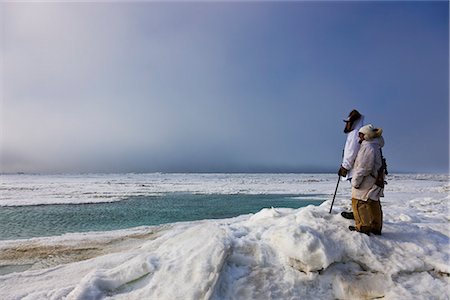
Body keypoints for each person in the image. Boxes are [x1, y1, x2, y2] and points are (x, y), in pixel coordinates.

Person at [349, 124, 385, 235]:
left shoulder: (368, 147)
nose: (358, 137)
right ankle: (376, 227)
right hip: (374, 179)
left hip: (366, 180)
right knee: (373, 202)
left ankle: (363, 227)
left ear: (366, 135)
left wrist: (356, 181)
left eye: (360, 134)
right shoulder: (375, 146)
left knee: (359, 202)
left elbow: (364, 168)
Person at [338, 109, 364, 219]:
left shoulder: (355, 134)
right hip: (356, 168)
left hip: (354, 169)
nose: (347, 125)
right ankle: (357, 212)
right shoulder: (357, 132)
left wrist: (345, 166)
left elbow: (351, 152)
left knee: (357, 192)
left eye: (348, 122)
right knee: (358, 191)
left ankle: (357, 213)